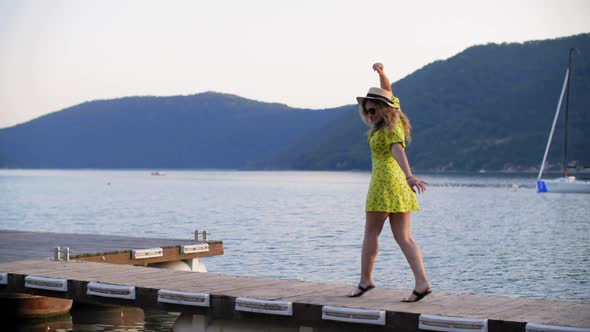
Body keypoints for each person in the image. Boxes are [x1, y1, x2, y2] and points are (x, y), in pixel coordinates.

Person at [348, 63, 431, 302]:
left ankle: (365, 281)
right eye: (368, 110)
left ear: (385, 109)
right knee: (404, 238)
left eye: (374, 110)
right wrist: (382, 74)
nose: (370, 114)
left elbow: (397, 151)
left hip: (384, 184)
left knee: (370, 235)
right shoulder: (396, 120)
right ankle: (422, 283)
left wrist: (409, 175)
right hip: (399, 187)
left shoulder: (390, 130)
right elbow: (388, 93)